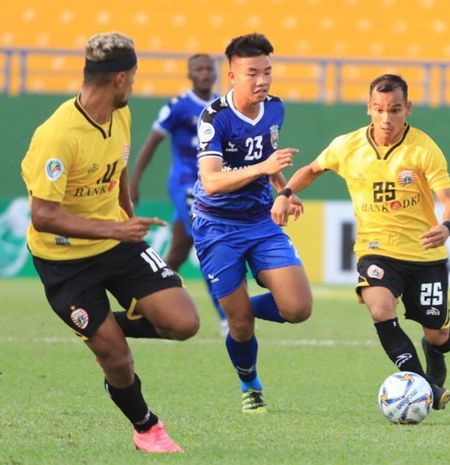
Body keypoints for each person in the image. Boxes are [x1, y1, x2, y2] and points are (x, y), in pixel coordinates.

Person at [20, 32, 200, 453]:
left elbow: (117, 170)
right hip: (63, 260)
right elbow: (42, 216)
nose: (134, 85)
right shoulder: (57, 136)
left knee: (184, 322)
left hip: (117, 242)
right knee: (117, 361)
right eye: (134, 77)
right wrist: (116, 229)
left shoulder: (121, 115)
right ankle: (146, 428)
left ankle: (101, 330)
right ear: (120, 78)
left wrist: (127, 213)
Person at [271, 74, 450, 411]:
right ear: (369, 108)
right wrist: (286, 193)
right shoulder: (348, 146)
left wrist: (446, 227)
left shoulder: (423, 148)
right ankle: (425, 386)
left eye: (395, 109)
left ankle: (433, 353)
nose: (387, 118)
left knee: (439, 336)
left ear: (408, 109)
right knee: (380, 309)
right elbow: (313, 169)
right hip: (376, 250)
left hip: (424, 254)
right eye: (380, 109)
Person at [191, 33, 312, 413]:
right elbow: (210, 181)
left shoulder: (275, 108)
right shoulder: (214, 118)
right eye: (251, 73)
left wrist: (283, 192)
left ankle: (238, 307)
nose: (262, 81)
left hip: (260, 218)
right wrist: (264, 168)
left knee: (298, 308)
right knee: (241, 328)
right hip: (217, 226)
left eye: (267, 72)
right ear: (231, 76)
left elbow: (269, 156)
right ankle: (250, 383)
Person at [128, 54, 228, 335]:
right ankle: (225, 316)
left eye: (210, 68)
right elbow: (151, 143)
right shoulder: (178, 107)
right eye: (200, 69)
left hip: (212, 183)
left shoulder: (223, 107)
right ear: (190, 74)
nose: (206, 73)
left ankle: (146, 303)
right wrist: (134, 182)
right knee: (207, 241)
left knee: (177, 252)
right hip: (185, 183)